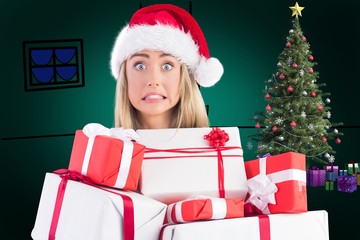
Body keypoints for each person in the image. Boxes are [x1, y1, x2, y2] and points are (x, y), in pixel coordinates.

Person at [110, 3, 224, 129]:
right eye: (140, 66)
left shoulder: (218, 147)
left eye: (167, 66)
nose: (153, 81)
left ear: (185, 78)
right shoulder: (99, 146)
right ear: (125, 76)